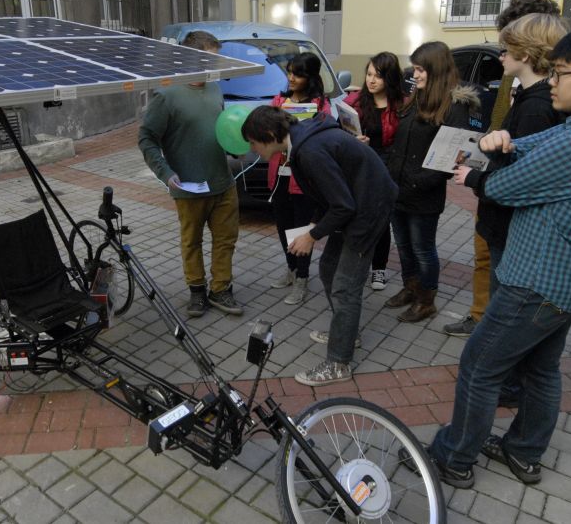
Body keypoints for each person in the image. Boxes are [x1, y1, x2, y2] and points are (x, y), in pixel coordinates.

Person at [408, 22, 571, 489]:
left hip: (538, 277)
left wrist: (480, 170)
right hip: (570, 273)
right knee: (540, 368)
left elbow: (505, 188)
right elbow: (537, 145)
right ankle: (524, 451)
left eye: (561, 72)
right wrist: (504, 142)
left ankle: (454, 456)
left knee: (479, 365)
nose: (553, 81)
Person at [241, 105, 397, 386]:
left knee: (345, 286)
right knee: (328, 268)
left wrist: (312, 236)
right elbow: (328, 196)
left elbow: (343, 206)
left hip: (368, 209)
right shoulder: (300, 142)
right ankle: (347, 332)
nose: (252, 149)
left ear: (267, 134)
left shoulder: (309, 151)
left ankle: (339, 363)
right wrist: (314, 225)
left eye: (253, 142)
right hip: (356, 202)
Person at [446, 0, 562, 339]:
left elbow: (525, 174)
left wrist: (475, 178)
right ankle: (483, 321)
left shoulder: (539, 103)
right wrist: (483, 152)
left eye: (506, 45)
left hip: (507, 209)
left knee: (506, 301)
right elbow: (506, 136)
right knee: (487, 263)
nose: (500, 55)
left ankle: (493, 348)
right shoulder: (525, 90)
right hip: (496, 198)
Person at [138, 30, 243, 318]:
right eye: (213, 59)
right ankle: (197, 291)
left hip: (223, 182)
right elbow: (146, 138)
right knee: (191, 241)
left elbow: (218, 128)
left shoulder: (214, 88)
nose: (218, 65)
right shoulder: (166, 94)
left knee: (225, 240)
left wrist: (235, 145)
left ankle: (221, 288)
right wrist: (165, 172)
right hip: (188, 187)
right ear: (190, 57)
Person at [383, 42, 479, 322]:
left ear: (436, 70)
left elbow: (454, 157)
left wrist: (419, 181)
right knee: (402, 245)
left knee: (423, 249)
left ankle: (427, 301)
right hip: (398, 188)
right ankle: (410, 288)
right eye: (415, 68)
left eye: (421, 69)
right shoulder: (416, 96)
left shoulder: (454, 106)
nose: (416, 74)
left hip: (423, 192)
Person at [267, 53, 330, 305]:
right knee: (283, 228)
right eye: (290, 72)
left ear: (310, 77)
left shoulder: (319, 105)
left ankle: (303, 278)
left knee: (301, 230)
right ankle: (291, 270)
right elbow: (267, 133)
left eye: (298, 74)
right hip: (279, 175)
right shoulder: (279, 100)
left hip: (304, 178)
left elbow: (324, 136)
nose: (291, 78)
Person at [343, 52, 405, 291]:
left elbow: (402, 139)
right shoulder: (355, 101)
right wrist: (354, 140)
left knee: (382, 220)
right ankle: (355, 263)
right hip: (360, 165)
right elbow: (341, 130)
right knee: (359, 216)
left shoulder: (401, 104)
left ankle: (379, 269)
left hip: (387, 165)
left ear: (389, 78)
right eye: (369, 74)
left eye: (378, 76)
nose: (372, 81)